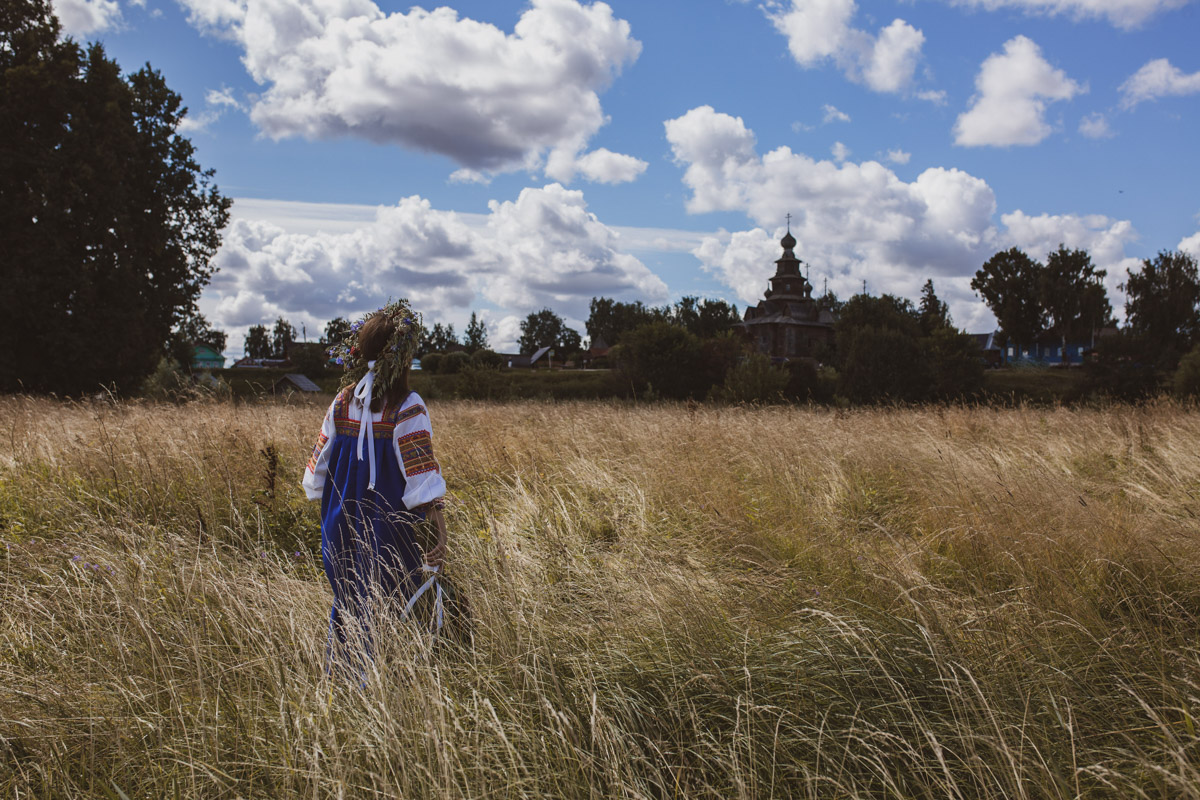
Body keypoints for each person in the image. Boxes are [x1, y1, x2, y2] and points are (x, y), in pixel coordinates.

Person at [302, 300, 448, 663]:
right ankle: (386, 688)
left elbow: (315, 473)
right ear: (400, 358)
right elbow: (421, 475)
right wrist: (439, 530)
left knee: (349, 599)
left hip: (340, 523)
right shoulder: (406, 405)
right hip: (387, 525)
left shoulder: (342, 401)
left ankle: (345, 682)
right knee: (394, 603)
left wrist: (331, 508)